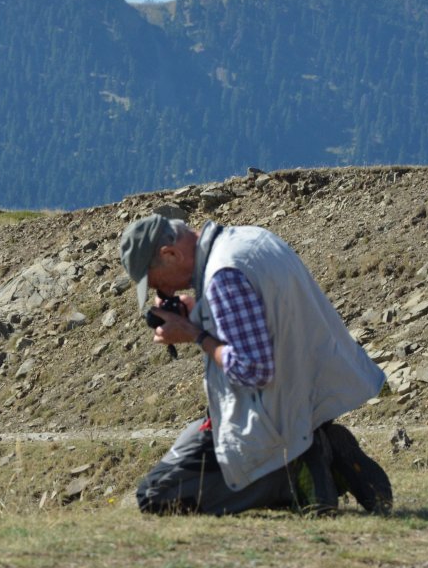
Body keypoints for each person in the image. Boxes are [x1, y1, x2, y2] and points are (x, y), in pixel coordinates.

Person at [118, 213, 393, 516]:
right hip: (305, 398)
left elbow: (253, 370)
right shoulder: (251, 239)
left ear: (170, 254)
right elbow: (267, 315)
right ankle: (321, 444)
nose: (165, 293)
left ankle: (297, 469)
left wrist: (194, 334)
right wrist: (202, 310)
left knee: (154, 495)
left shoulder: (222, 275)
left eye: (158, 283)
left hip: (271, 420)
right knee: (188, 444)